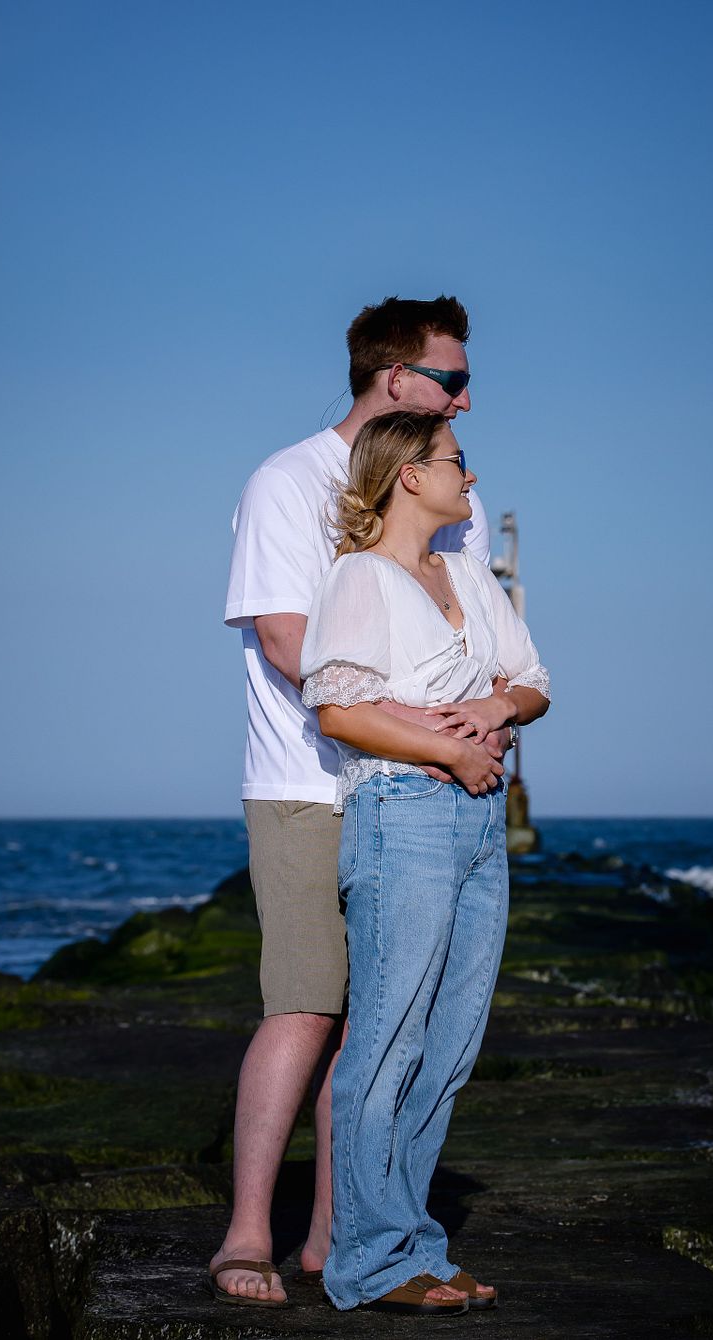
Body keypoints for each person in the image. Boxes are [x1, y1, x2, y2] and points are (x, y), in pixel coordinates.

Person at [212, 297, 513, 1305]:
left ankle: (344, 1242)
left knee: (385, 1024)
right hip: (307, 783)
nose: (468, 399)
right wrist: (435, 737)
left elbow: (474, 636)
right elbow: (295, 647)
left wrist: (477, 722)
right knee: (304, 1005)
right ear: (396, 380)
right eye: (452, 381)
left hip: (412, 793)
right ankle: (249, 1234)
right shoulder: (287, 481)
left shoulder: (439, 496)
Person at [300, 409, 550, 1316]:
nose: (470, 478)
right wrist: (444, 750)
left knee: (448, 1049)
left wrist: (490, 717)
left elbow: (534, 685)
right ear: (409, 474)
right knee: (389, 1041)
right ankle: (368, 1261)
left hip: (480, 823)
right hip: (401, 815)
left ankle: (414, 1245)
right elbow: (337, 710)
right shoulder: (360, 578)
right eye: (457, 463)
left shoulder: (472, 576)